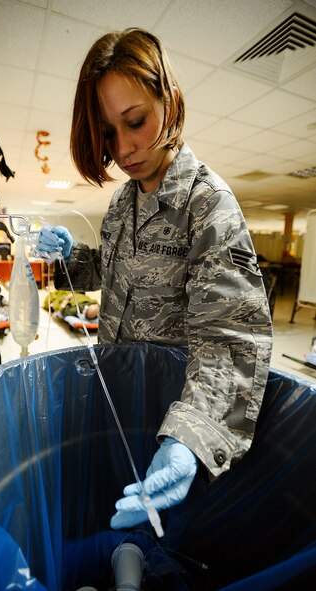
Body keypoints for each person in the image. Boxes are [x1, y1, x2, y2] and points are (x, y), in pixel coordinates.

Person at [37, 28, 273, 531]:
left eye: (135, 122)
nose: (124, 149)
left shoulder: (207, 204)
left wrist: (191, 438)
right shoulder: (124, 203)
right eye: (108, 133)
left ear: (168, 98)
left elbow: (233, 336)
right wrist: (71, 259)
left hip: (174, 422)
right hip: (117, 409)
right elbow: (113, 269)